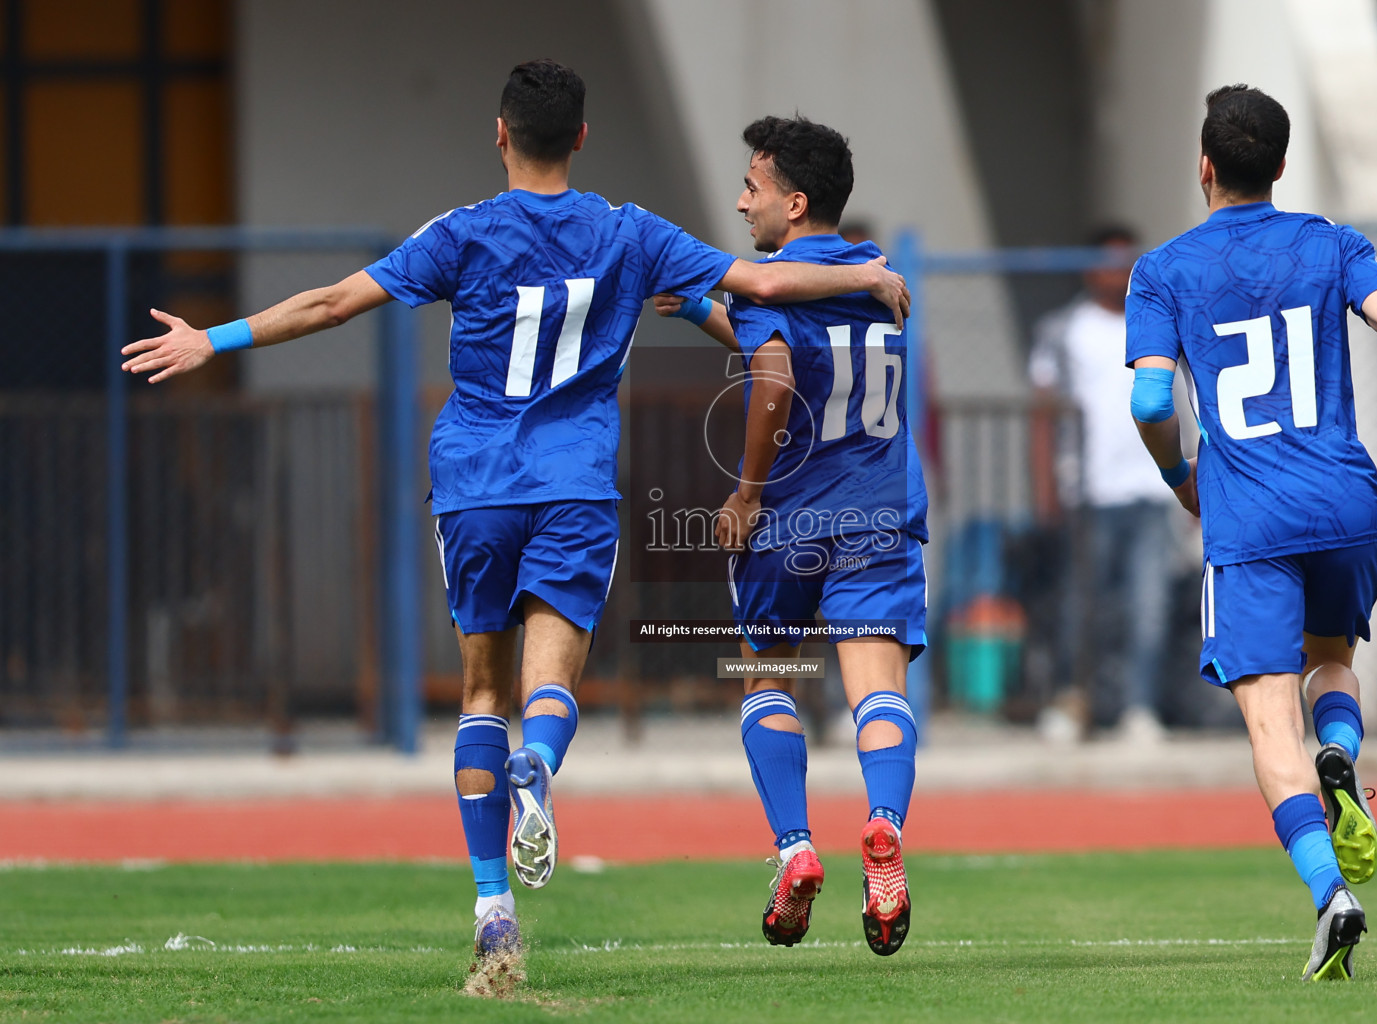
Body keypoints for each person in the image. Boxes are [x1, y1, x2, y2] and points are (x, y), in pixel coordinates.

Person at [120, 59, 911, 960]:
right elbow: (762, 287)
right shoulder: (630, 232)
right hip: (574, 485)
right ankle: (541, 766)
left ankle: (493, 909)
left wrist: (210, 338)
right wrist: (863, 279)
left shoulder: (461, 233)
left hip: (473, 488)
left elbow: (335, 302)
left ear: (500, 135)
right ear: (580, 138)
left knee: (480, 695)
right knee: (549, 686)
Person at [1125, 84, 1377, 981]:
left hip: (1250, 516)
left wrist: (1180, 477)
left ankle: (1331, 893)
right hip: (1343, 501)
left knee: (1268, 718)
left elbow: (1149, 398)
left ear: (1206, 164)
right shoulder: (1331, 242)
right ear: (1283, 167)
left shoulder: (1166, 269)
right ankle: (1342, 749)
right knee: (1330, 659)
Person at [655, 115, 928, 956]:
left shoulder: (770, 276)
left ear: (795, 201)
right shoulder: (878, 272)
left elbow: (774, 370)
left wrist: (745, 493)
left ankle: (795, 848)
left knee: (766, 678)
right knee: (876, 688)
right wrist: (708, 311)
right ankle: (882, 826)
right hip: (879, 512)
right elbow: (790, 345)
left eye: (753, 186)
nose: (742, 203)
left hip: (789, 517)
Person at [1030, 225, 1178, 741]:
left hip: (1154, 489)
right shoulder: (1063, 328)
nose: (1117, 273)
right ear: (1089, 267)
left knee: (1149, 609)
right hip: (1089, 491)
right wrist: (1046, 487)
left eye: (1126, 262)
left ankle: (1140, 708)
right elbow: (1043, 413)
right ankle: (1073, 702)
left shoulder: (1158, 320)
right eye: (1107, 262)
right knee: (1080, 607)